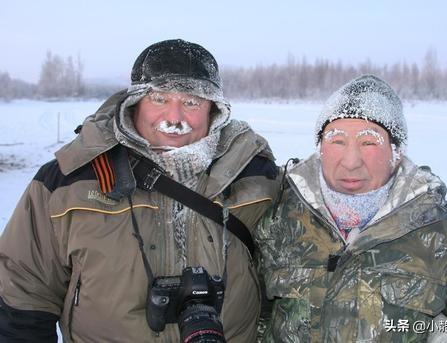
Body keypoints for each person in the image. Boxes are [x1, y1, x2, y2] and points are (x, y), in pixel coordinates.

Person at [0, 39, 279, 342]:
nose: (174, 118)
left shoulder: (256, 176)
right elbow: (23, 295)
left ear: (214, 109)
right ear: (135, 103)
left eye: (192, 102)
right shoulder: (67, 181)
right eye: (159, 98)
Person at [256, 74, 447, 342]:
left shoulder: (446, 235)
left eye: (369, 142)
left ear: (396, 154)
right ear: (320, 148)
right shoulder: (279, 219)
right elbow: (253, 315)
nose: (351, 162)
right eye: (337, 140)